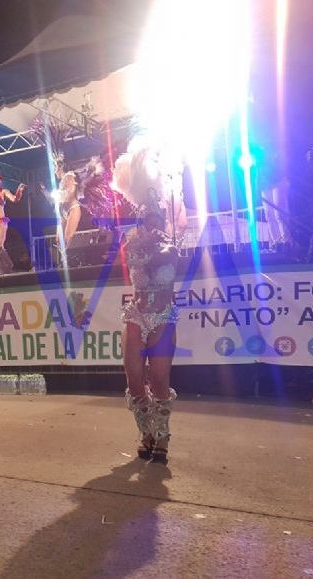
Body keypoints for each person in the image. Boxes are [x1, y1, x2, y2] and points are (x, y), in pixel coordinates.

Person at [116, 139, 184, 465]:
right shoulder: (132, 243)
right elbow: (133, 271)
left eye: (158, 219)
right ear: (141, 219)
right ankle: (145, 432)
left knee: (158, 379)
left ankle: (164, 437)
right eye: (148, 220)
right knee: (132, 377)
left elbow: (170, 268)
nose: (153, 224)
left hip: (163, 315)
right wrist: (142, 249)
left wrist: (164, 248)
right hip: (137, 312)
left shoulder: (171, 247)